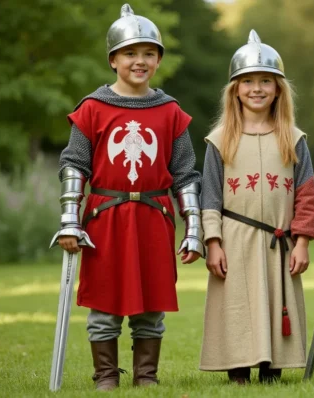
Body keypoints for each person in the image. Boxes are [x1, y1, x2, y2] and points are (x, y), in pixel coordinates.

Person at [51, 4, 204, 391]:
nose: (140, 61)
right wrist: (70, 219)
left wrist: (194, 229)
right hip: (105, 219)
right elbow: (74, 166)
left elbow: (185, 174)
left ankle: (146, 376)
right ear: (114, 59)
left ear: (158, 61)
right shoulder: (93, 108)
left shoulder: (170, 112)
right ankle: (105, 376)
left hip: (154, 217)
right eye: (131, 53)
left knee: (151, 304)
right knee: (104, 304)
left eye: (149, 53)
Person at [199, 30, 314, 384]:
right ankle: (238, 370)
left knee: (275, 300)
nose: (257, 88)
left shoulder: (292, 138)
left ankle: (272, 369)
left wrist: (301, 241)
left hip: (279, 241)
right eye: (248, 81)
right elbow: (210, 197)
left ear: (278, 88)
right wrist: (213, 242)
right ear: (235, 89)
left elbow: (307, 196)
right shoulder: (220, 140)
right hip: (234, 239)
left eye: (266, 81)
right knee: (237, 305)